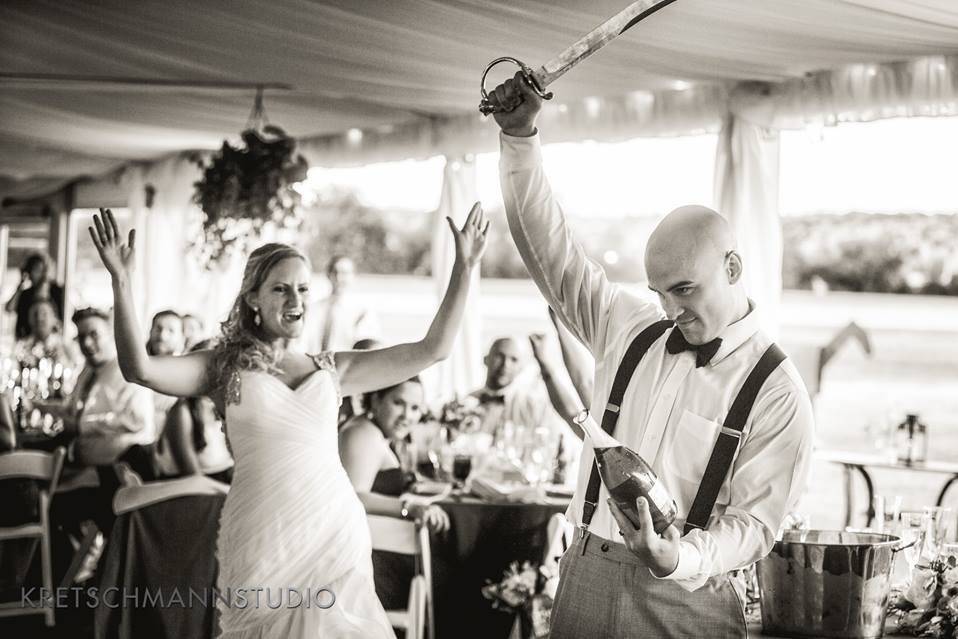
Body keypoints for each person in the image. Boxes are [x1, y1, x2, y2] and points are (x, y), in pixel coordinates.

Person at [485, 74, 813, 638]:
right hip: (584, 574)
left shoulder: (778, 390)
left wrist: (678, 558)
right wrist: (520, 139)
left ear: (732, 269)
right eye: (658, 291)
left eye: (684, 289)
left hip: (688, 601)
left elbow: (757, 523)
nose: (668, 309)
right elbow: (551, 252)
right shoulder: (631, 327)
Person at [88, 203, 488, 639]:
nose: (295, 300)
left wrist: (465, 269)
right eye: (281, 289)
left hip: (334, 530)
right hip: (264, 533)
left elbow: (433, 349)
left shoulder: (334, 368)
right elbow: (141, 370)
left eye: (302, 288)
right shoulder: (222, 366)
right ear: (253, 300)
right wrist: (121, 281)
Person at [339, 376, 450, 611]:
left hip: (378, 550)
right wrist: (410, 508)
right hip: (370, 562)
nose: (407, 416)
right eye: (398, 403)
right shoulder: (362, 433)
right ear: (376, 399)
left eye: (414, 408)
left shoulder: (374, 432)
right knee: (456, 575)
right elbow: (352, 497)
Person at [161, 340, 234, 483]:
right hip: (194, 486)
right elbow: (191, 474)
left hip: (223, 479)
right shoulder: (182, 411)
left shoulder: (225, 405)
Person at [303, 255, 381, 352]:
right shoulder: (313, 309)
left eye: (345, 273)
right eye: (335, 272)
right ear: (328, 274)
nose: (339, 278)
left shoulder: (362, 312)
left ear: (353, 276)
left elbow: (368, 347)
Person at [5, 252, 65, 340]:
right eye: (36, 270)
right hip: (25, 338)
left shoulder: (55, 290)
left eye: (42, 270)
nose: (40, 274)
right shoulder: (25, 293)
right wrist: (20, 284)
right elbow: (9, 308)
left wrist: (46, 278)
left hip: (48, 340)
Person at [13, 297, 79, 370]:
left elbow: (75, 370)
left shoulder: (65, 346)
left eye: (44, 314)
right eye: (35, 314)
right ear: (29, 319)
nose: (39, 318)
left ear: (54, 319)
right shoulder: (21, 347)